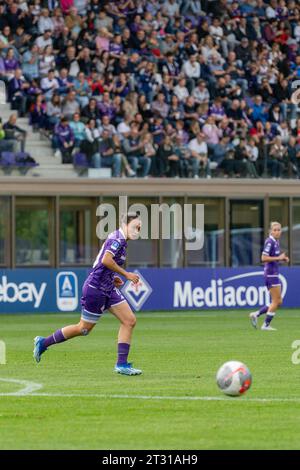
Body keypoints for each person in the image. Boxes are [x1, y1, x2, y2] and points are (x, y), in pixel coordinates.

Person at [33, 212, 142, 375]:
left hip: (108, 287)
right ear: (125, 225)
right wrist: (126, 275)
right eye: (135, 227)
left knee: (129, 320)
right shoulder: (117, 239)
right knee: (83, 329)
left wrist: (113, 279)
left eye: (140, 228)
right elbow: (106, 260)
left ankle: (122, 364)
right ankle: (43, 343)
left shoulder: (121, 240)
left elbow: (101, 263)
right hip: (96, 288)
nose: (138, 231)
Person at [249, 221, 289, 331]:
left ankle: (256, 314)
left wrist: (282, 259)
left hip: (274, 274)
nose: (277, 232)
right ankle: (265, 325)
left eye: (279, 230)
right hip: (270, 274)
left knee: (278, 301)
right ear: (270, 231)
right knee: (276, 301)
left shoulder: (276, 242)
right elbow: (264, 258)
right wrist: (279, 258)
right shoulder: (270, 242)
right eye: (275, 230)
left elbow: (273, 258)